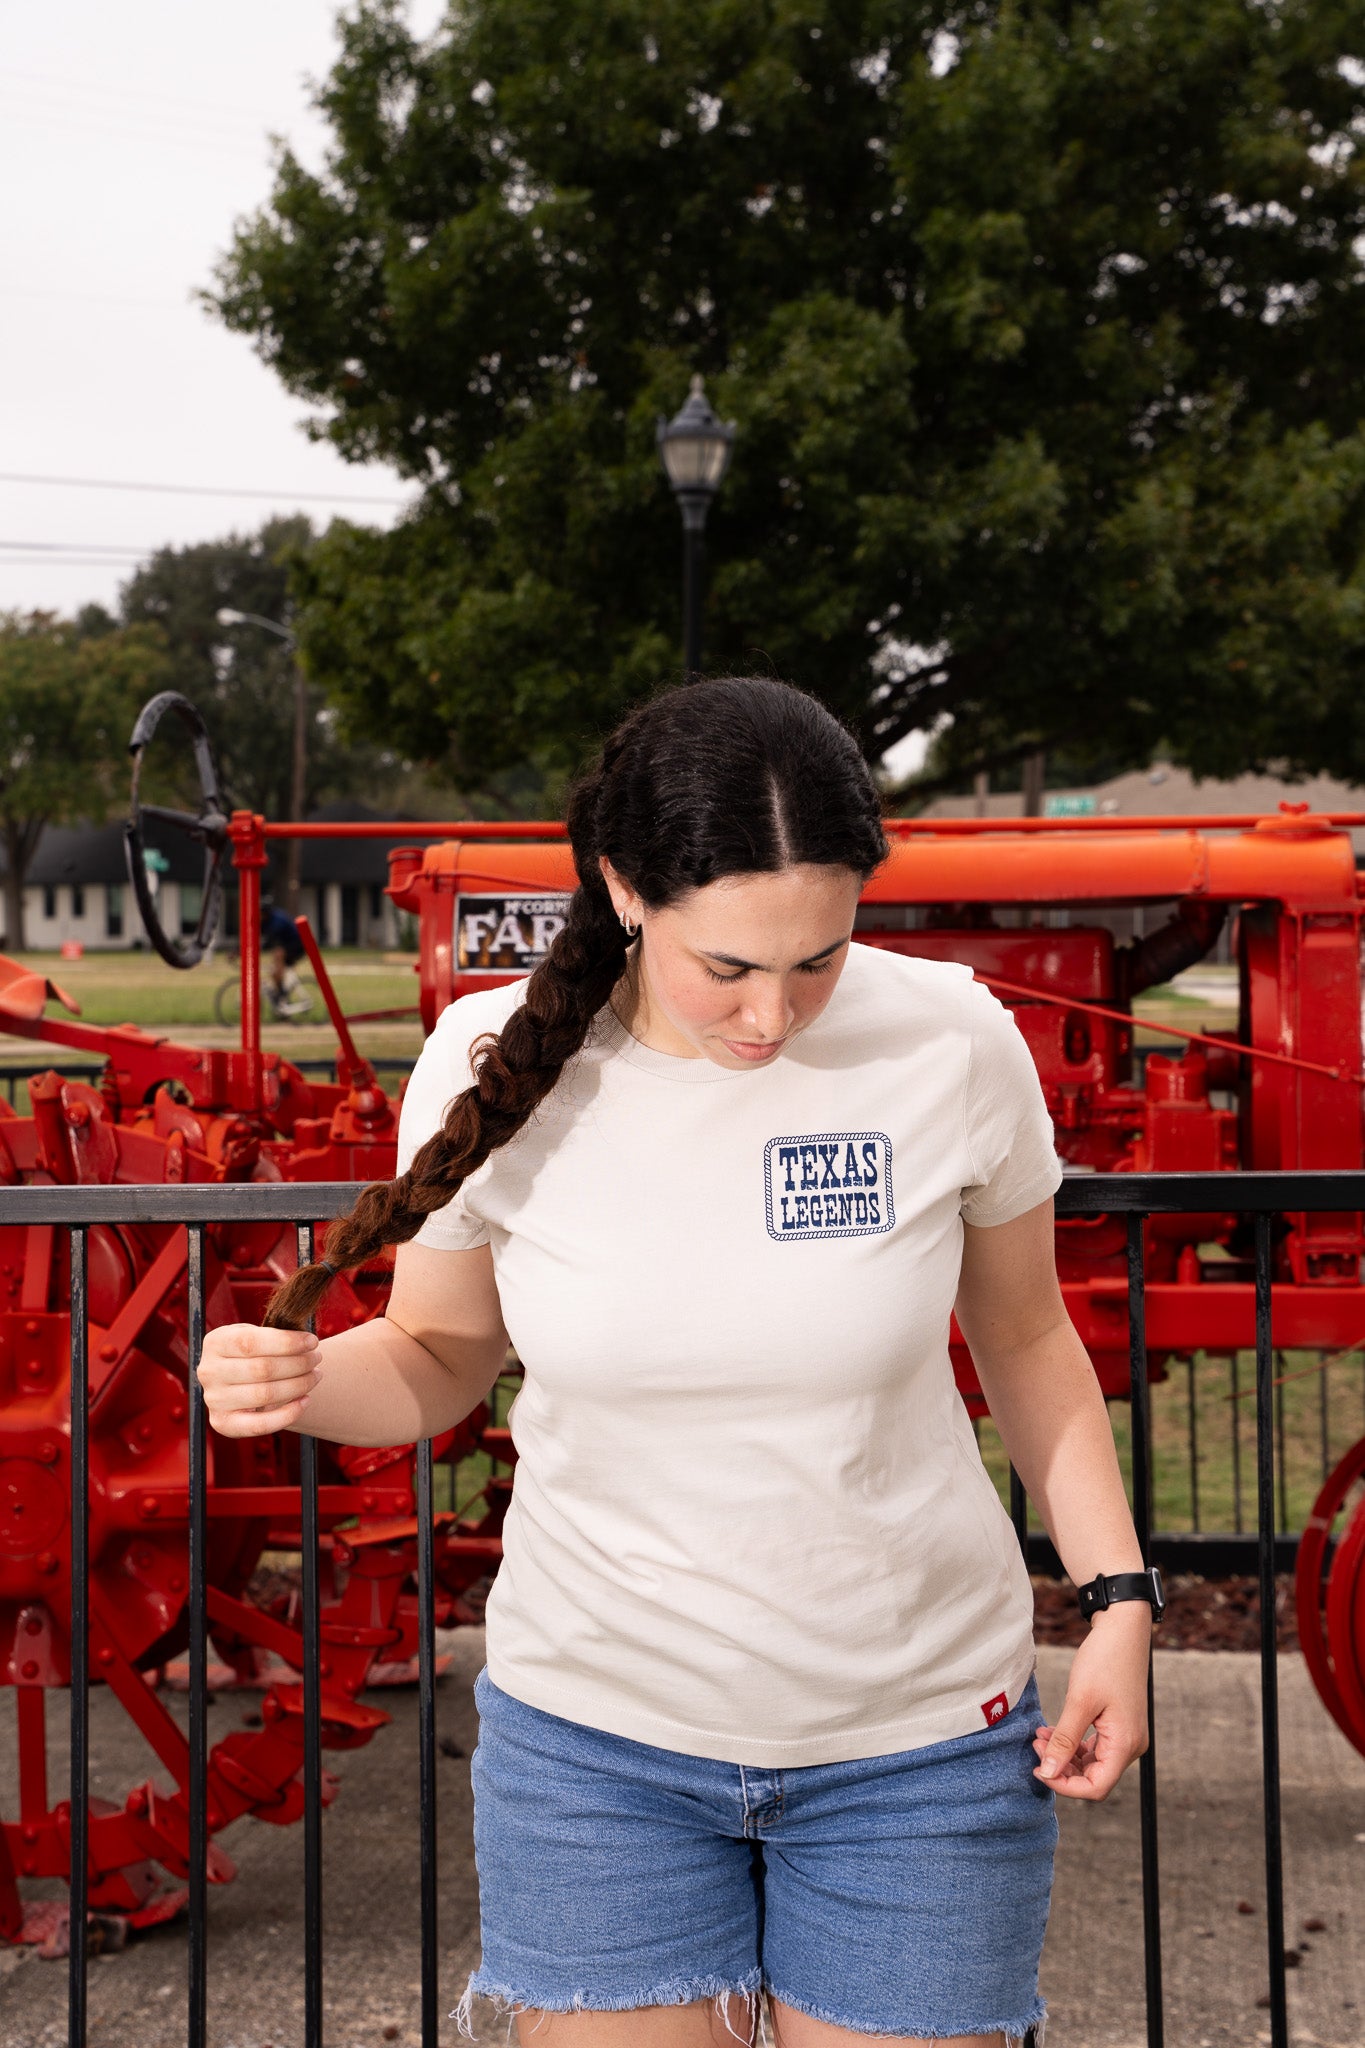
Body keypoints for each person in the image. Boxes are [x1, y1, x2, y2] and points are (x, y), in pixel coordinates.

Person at [198, 678, 1155, 2048]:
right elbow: (434, 1355)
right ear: (625, 889)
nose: (774, 1015)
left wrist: (1117, 1600)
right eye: (729, 968)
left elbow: (1027, 1337)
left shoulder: (953, 1038)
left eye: (817, 957)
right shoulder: (489, 1061)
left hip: (918, 1746)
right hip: (597, 1751)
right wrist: (300, 1381)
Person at [259, 896, 308, 1016]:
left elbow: (268, 941)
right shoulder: (266, 920)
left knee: (278, 954)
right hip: (288, 945)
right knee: (274, 971)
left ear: (265, 913)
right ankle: (281, 999)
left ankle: (281, 995)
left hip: (298, 945)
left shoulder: (277, 920)